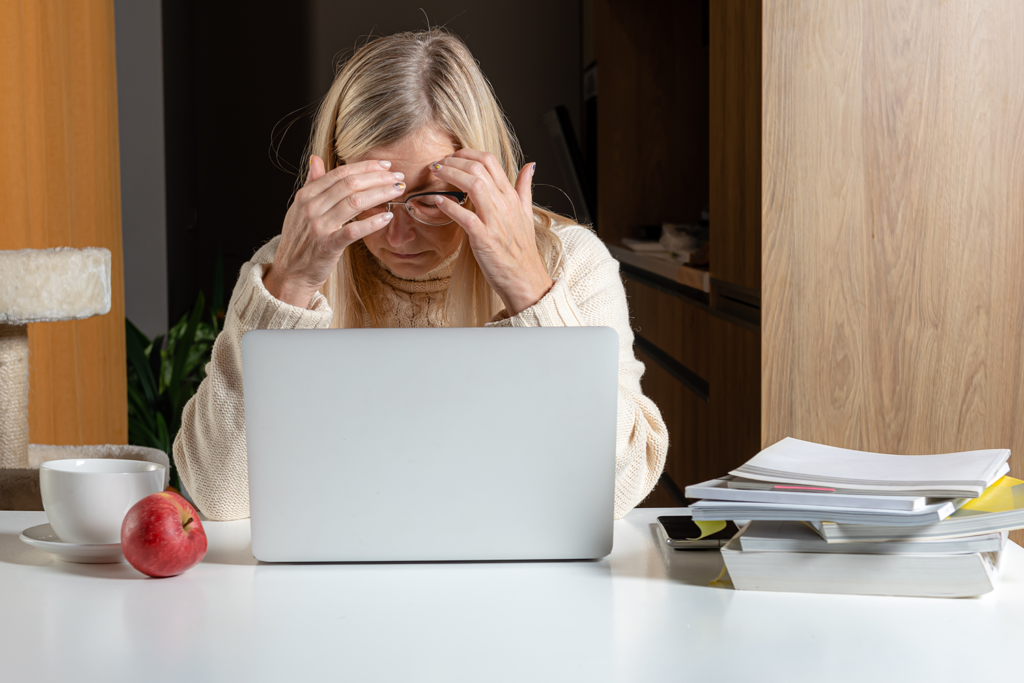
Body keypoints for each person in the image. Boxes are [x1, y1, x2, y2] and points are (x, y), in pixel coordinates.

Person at [173, 28, 668, 521]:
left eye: (432, 200)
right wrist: (290, 290)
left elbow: (616, 492)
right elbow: (218, 494)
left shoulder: (571, 262)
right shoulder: (290, 267)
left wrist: (528, 290)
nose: (399, 238)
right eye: (372, 199)